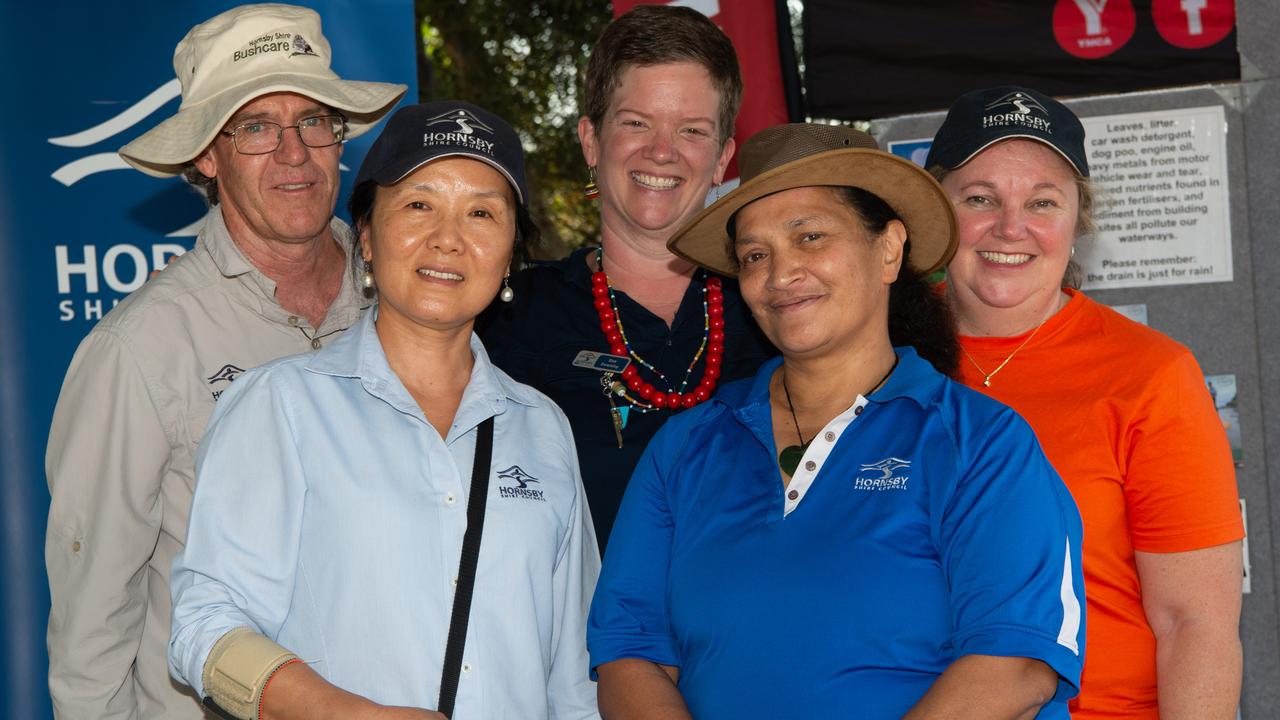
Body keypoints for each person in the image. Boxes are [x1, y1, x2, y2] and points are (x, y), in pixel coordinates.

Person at [589, 123, 1086, 719]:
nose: (780, 275)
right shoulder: (687, 447)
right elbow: (629, 655)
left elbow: (1016, 666)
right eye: (755, 255)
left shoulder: (980, 444)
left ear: (889, 249)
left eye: (811, 237)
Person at [167, 101, 600, 720]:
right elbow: (204, 629)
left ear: (510, 256)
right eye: (419, 205)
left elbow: (574, 678)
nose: (448, 238)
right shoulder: (282, 407)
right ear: (365, 235)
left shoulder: (542, 427)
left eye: (482, 213)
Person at [42, 5, 406, 717]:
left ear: (341, 140)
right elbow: (92, 625)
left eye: (312, 121)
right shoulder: (142, 348)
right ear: (207, 156)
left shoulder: (406, 306)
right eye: (258, 128)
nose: (294, 152)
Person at [927, 86, 1244, 719]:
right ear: (933, 211)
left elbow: (1195, 625)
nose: (1010, 227)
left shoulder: (1151, 375)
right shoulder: (876, 356)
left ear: (1078, 222)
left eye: (1042, 202)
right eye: (980, 198)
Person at [481, 4, 775, 548]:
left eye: (692, 130)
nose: (661, 151)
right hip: (582, 630)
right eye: (636, 123)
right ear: (591, 140)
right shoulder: (510, 316)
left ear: (721, 158)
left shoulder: (776, 305)